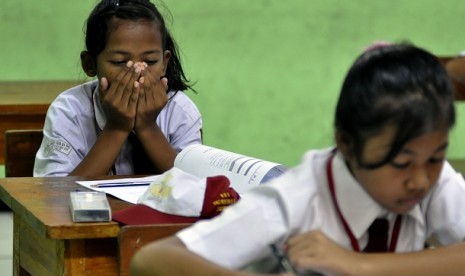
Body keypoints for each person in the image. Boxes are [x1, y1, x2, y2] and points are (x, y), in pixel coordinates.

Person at [129, 43, 465, 275]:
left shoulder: (431, 178)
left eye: (437, 157)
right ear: (346, 144)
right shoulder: (295, 199)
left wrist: (353, 266)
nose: (421, 179)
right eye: (401, 163)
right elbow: (153, 261)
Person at [33, 0, 202, 177]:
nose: (137, 74)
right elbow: (55, 196)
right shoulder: (70, 111)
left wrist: (147, 126)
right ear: (90, 64)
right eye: (120, 62)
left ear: (164, 63)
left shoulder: (180, 111)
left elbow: (195, 189)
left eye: (150, 61)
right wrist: (117, 128)